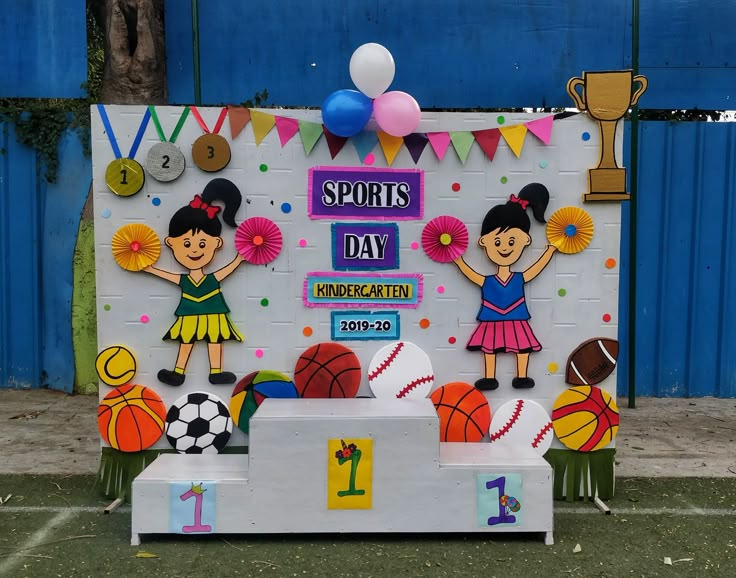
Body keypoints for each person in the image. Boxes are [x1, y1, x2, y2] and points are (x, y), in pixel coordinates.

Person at [453, 183, 556, 390]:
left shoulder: (519, 278)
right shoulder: (488, 280)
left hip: (516, 318)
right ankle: (490, 377)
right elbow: (473, 275)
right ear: (483, 242)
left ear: (526, 240)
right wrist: (458, 261)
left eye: (512, 242)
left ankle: (521, 376)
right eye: (497, 242)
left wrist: (549, 251)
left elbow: (535, 269)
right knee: (490, 348)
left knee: (522, 347)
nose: (505, 248)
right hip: (492, 318)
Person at [144, 178, 244, 386]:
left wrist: (239, 259)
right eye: (187, 244)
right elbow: (169, 276)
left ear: (216, 243)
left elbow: (226, 271)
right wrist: (150, 269)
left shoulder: (211, 277)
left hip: (213, 314)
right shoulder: (184, 279)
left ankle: (216, 372)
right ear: (171, 243)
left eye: (202, 244)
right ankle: (178, 372)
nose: (195, 250)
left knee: (215, 340)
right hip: (190, 314)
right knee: (186, 341)